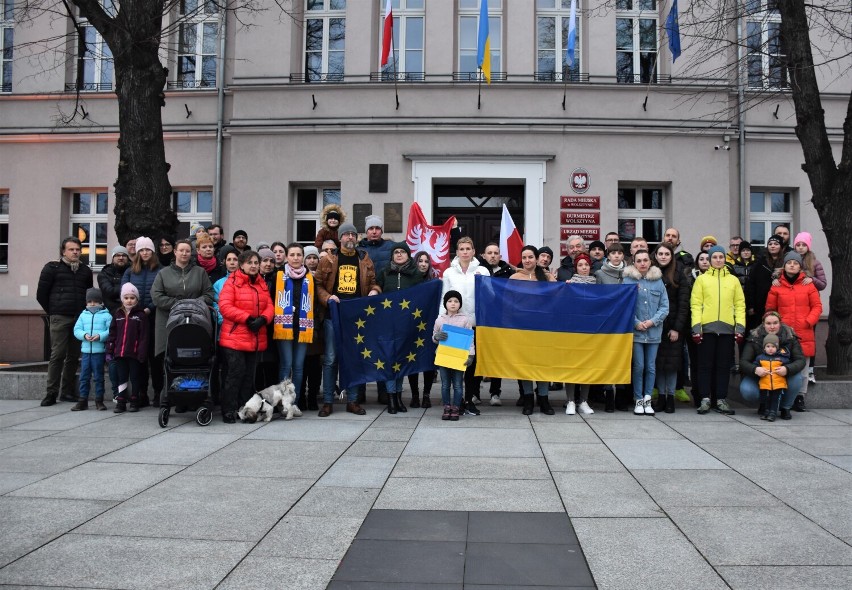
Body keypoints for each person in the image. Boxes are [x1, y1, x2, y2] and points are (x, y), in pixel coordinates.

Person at [315, 222, 381, 417]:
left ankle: (352, 401)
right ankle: (328, 401)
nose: (350, 237)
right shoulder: (328, 259)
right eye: (346, 235)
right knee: (330, 359)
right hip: (332, 316)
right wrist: (328, 298)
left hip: (356, 318)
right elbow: (318, 284)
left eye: (353, 234)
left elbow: (374, 282)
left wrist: (374, 291)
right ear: (340, 238)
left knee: (354, 358)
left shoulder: (364, 259)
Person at [151, 239, 215, 398]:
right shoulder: (163, 273)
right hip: (168, 321)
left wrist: (193, 304)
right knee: (170, 357)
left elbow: (209, 293)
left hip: (196, 322)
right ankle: (171, 394)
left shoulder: (199, 272)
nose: (185, 253)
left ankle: (193, 394)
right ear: (175, 252)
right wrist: (177, 304)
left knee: (193, 357)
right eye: (181, 250)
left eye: (188, 251)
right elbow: (157, 296)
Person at [217, 250, 274, 423]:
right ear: (242, 265)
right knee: (236, 373)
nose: (254, 266)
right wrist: (247, 318)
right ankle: (228, 409)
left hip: (254, 336)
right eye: (250, 263)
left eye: (256, 263)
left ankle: (245, 408)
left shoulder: (261, 283)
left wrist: (264, 318)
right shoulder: (231, 282)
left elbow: (270, 305)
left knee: (249, 375)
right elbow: (225, 306)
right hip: (235, 336)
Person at [37, 237, 94, 406]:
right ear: (63, 251)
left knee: (73, 356)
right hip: (59, 317)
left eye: (78, 249)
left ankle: (67, 392)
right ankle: (51, 393)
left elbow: (88, 294)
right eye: (71, 249)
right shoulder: (51, 268)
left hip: (79, 318)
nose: (75, 252)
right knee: (57, 354)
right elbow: (41, 294)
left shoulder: (85, 270)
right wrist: (53, 312)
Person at [690, 245, 745, 415]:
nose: (718, 260)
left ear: (725, 259)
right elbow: (696, 304)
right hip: (707, 329)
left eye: (721, 257)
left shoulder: (733, 280)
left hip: (728, 329)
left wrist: (740, 327)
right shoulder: (702, 279)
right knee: (704, 365)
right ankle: (705, 398)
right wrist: (696, 328)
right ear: (710, 260)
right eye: (715, 257)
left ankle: (721, 399)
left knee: (723, 366)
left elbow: (739, 305)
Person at [765, 251, 822, 412]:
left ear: (800, 266)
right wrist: (777, 326)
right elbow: (770, 309)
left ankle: (800, 397)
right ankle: (781, 396)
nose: (792, 265)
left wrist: (808, 321)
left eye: (796, 263)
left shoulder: (808, 284)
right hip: (782, 334)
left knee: (803, 368)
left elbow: (817, 306)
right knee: (781, 365)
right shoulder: (776, 285)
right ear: (784, 265)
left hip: (804, 332)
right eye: (789, 262)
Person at [442, 236, 490, 415]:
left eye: (468, 249)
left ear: (473, 252)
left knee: (471, 364)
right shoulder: (449, 272)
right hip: (454, 324)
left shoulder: (482, 271)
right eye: (461, 249)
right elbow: (444, 298)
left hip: (475, 323)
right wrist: (443, 320)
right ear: (457, 251)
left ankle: (469, 399)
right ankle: (456, 402)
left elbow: (490, 295)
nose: (465, 252)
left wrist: (482, 282)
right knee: (455, 365)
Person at [377, 242, 424, 413]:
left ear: (408, 255)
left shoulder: (416, 274)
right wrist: (375, 290)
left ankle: (398, 397)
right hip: (388, 324)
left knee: (401, 361)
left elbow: (422, 296)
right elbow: (376, 287)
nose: (398, 254)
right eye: (395, 252)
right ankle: (391, 398)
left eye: (402, 252)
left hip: (406, 324)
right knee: (390, 362)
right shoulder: (384, 272)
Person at [510, 245, 557, 416]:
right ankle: (528, 398)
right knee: (525, 363)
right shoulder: (514, 277)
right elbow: (508, 301)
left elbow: (557, 298)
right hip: (522, 328)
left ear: (537, 259)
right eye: (524, 257)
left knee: (543, 363)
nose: (527, 260)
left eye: (530, 257)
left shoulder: (547, 277)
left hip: (544, 328)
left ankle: (543, 398)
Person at [623, 249, 669, 416]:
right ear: (633, 262)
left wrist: (652, 321)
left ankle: (648, 399)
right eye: (639, 260)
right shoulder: (627, 281)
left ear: (650, 262)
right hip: (636, 333)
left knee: (650, 367)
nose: (642, 263)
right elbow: (624, 305)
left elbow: (665, 307)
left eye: (645, 260)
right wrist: (636, 323)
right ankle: (638, 400)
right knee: (638, 366)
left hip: (654, 332)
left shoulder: (658, 281)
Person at [272, 243, 318, 408]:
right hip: (284, 327)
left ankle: (294, 402)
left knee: (298, 367)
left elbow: (315, 303)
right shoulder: (278, 276)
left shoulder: (310, 277)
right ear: (286, 257)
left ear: (303, 258)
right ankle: (282, 402)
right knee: (286, 365)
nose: (296, 258)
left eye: (299, 255)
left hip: (303, 327)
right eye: (292, 255)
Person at [739, 311, 806, 420]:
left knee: (797, 378)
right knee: (748, 390)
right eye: (768, 323)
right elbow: (743, 362)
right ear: (763, 324)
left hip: (782, 375)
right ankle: (765, 405)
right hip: (761, 376)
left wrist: (787, 369)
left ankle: (785, 407)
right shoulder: (754, 338)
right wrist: (755, 369)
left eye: (775, 323)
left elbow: (800, 360)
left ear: (780, 323)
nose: (772, 326)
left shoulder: (790, 337)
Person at [121, 236, 162, 407]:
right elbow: (124, 292)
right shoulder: (130, 271)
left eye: (148, 250)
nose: (145, 253)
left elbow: (162, 292)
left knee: (156, 358)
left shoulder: (161, 270)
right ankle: (141, 394)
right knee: (139, 358)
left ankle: (158, 393)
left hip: (154, 319)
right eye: (142, 250)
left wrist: (149, 308)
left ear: (153, 251)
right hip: (136, 321)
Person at [652, 242, 690, 414]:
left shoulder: (679, 274)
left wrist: (677, 328)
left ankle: (670, 398)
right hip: (656, 325)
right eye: (660, 254)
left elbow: (684, 304)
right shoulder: (652, 273)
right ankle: (660, 397)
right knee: (659, 363)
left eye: (666, 254)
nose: (663, 257)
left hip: (673, 327)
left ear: (671, 256)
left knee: (672, 364)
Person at [478, 242, 514, 405]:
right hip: (480, 319)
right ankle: (474, 393)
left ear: (500, 256)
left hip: (500, 320)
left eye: (495, 253)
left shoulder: (508, 272)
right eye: (489, 252)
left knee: (496, 357)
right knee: (477, 356)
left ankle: (495, 393)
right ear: (483, 255)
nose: (492, 255)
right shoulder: (476, 270)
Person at [107, 283, 149, 413]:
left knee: (135, 377)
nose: (129, 300)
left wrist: (142, 352)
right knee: (122, 377)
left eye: (132, 298)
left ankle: (134, 400)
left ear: (137, 300)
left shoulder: (141, 315)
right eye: (126, 298)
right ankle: (121, 401)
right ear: (122, 299)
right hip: (120, 352)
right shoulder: (118, 314)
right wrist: (110, 349)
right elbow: (112, 333)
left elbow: (144, 336)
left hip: (135, 353)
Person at [433, 290, 473, 421]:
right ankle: (446, 407)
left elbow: (470, 339)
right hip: (444, 357)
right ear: (445, 304)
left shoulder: (465, 320)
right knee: (445, 384)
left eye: (456, 301)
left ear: (460, 304)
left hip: (459, 357)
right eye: (450, 301)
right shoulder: (440, 320)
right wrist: (436, 337)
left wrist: (471, 355)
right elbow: (434, 337)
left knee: (457, 384)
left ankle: (456, 408)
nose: (453, 304)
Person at [564, 253, 596, 415]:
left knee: (586, 365)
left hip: (590, 331)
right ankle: (570, 400)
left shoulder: (597, 285)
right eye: (580, 265)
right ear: (576, 268)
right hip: (572, 330)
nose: (584, 268)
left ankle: (583, 401)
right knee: (571, 365)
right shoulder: (569, 285)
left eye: (586, 265)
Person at [71, 288, 112, 411]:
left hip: (99, 352)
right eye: (90, 301)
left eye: (95, 301)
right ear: (86, 303)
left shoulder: (107, 315)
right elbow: (76, 330)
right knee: (84, 376)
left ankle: (99, 400)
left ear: (101, 302)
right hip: (86, 352)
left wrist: (100, 336)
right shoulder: (83, 315)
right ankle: (82, 400)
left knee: (98, 377)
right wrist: (84, 335)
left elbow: (110, 331)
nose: (92, 304)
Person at [408, 251, 438, 409]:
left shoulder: (433, 283)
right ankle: (414, 395)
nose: (423, 264)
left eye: (426, 261)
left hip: (428, 327)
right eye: (420, 261)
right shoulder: (409, 282)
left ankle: (426, 395)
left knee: (428, 361)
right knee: (412, 360)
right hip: (411, 326)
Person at [745, 234, 785, 333]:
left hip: (781, 305)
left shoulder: (786, 263)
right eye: (770, 244)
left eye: (776, 244)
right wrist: (751, 305)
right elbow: (751, 285)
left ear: (781, 247)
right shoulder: (760, 263)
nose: (772, 246)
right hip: (760, 306)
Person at [753, 334, 790, 422]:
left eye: (773, 346)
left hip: (777, 384)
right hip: (765, 383)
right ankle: (766, 411)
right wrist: (757, 370)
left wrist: (785, 369)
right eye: (768, 346)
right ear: (764, 348)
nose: (770, 348)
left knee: (775, 398)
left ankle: (773, 412)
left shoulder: (782, 358)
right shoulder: (760, 358)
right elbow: (755, 366)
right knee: (765, 398)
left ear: (777, 348)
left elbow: (788, 365)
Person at [98, 246, 131, 313]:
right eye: (117, 255)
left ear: (127, 258)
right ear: (113, 258)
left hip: (130, 311)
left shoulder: (134, 271)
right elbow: (109, 292)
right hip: (111, 312)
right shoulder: (105, 273)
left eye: (124, 255)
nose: (121, 258)